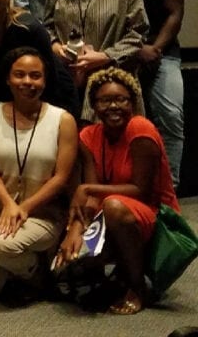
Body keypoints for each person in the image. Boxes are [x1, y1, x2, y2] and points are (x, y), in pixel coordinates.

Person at [54, 68, 179, 315]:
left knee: (113, 206)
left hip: (153, 214)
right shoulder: (88, 135)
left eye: (121, 99)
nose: (114, 106)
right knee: (76, 254)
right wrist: (75, 231)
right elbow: (92, 198)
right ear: (93, 105)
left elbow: (140, 191)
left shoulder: (140, 128)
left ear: (132, 102)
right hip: (114, 213)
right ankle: (119, 273)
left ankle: (137, 287)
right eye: (105, 100)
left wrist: (87, 188)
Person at [0, 48, 78, 300]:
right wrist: (7, 203)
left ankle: (38, 276)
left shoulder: (63, 120)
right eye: (20, 75)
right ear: (8, 78)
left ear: (45, 81)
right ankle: (26, 263)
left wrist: (23, 207)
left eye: (35, 76)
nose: (27, 82)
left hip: (42, 211)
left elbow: (61, 178)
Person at [111, 0, 187, 187]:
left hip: (162, 53)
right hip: (117, 53)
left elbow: (175, 14)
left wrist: (154, 48)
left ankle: (170, 189)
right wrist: (134, 48)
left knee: (171, 115)